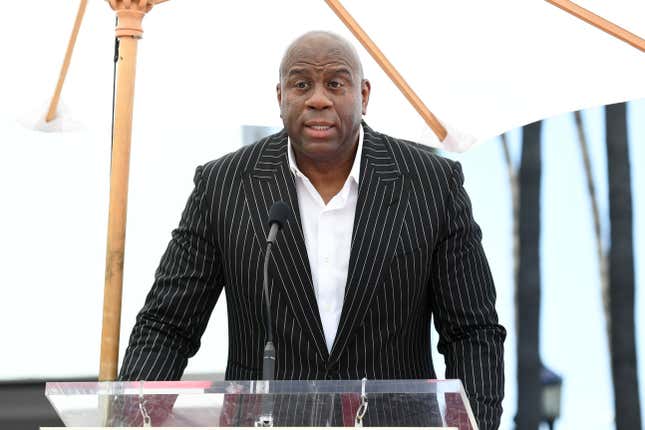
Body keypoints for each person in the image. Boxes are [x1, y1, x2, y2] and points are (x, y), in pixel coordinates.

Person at [119, 31, 506, 429]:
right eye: (301, 84)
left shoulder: (430, 185)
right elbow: (168, 325)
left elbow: (472, 332)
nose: (318, 98)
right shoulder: (223, 186)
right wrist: (130, 421)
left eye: (335, 83)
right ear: (280, 97)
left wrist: (476, 424)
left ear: (364, 95)